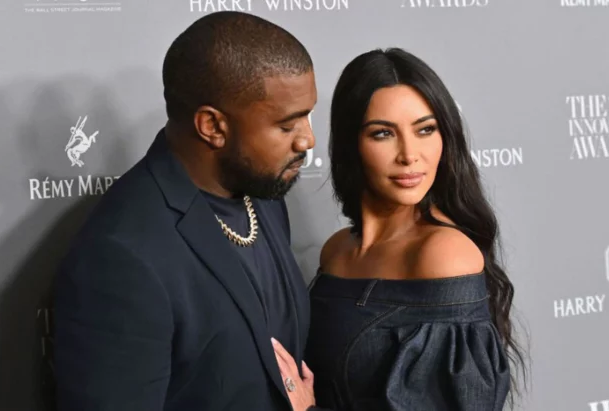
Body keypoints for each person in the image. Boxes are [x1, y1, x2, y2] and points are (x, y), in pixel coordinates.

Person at [53, 11, 317, 411]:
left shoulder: (264, 195)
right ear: (212, 126)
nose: (307, 140)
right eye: (287, 125)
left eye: (307, 117)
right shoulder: (123, 255)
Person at [274, 48, 527, 411]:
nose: (409, 154)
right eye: (383, 134)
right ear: (352, 144)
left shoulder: (444, 254)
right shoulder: (337, 250)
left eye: (426, 130)